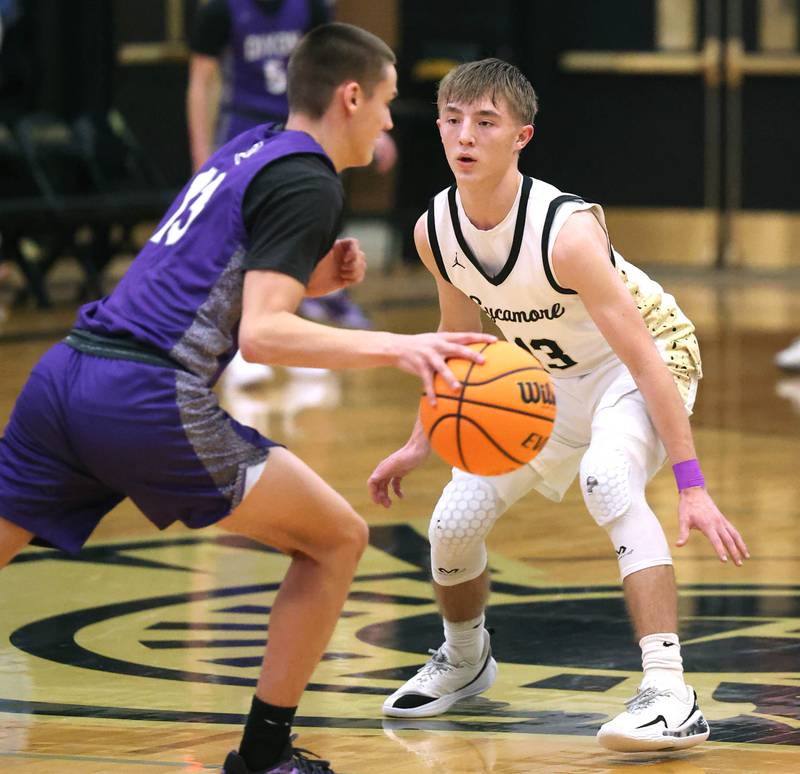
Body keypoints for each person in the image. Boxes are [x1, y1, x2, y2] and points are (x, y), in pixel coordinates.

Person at [0, 24, 495, 774]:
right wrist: (401, 346)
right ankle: (264, 755)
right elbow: (263, 337)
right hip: (143, 396)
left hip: (66, 374)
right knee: (335, 541)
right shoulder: (310, 180)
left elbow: (206, 273)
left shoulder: (253, 148)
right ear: (351, 96)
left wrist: (306, 277)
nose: (391, 122)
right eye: (388, 103)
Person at [368, 58, 750, 753]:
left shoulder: (566, 231)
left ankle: (671, 692)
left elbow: (642, 357)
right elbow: (459, 348)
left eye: (486, 121)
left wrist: (693, 486)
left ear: (522, 135)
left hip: (646, 364)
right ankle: (465, 659)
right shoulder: (436, 230)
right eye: (453, 119)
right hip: (545, 382)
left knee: (608, 478)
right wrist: (420, 441)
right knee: (451, 523)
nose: (465, 135)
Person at [187, 0, 393, 355]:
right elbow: (200, 84)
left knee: (314, 211)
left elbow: (336, 69)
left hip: (301, 121)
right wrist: (201, 157)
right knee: (240, 236)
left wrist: (372, 127)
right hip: (243, 124)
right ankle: (237, 329)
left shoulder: (310, 8)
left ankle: (316, 308)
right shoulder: (220, 11)